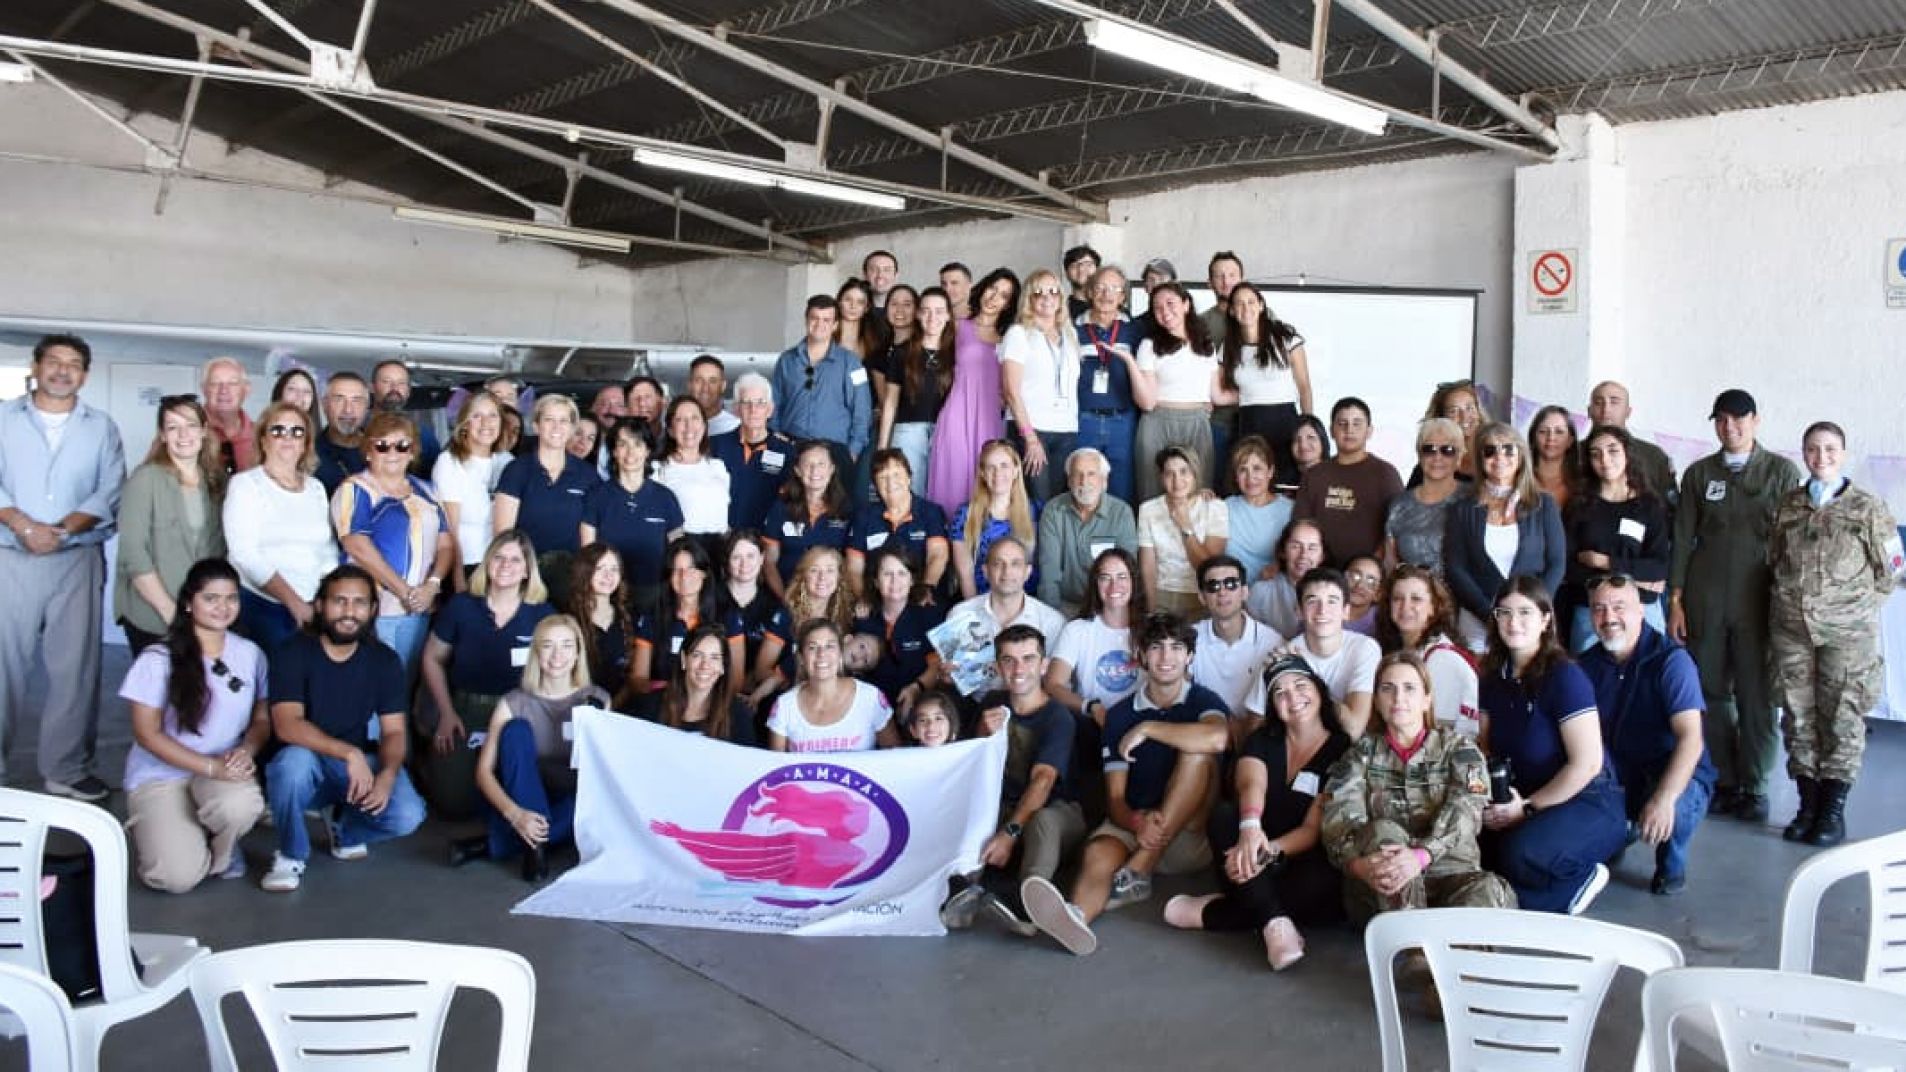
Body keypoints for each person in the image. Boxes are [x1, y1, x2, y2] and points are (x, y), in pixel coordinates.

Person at [1021, 613, 1227, 957]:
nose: (1166, 657)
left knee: (1197, 754)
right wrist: (1135, 822)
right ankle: (1076, 918)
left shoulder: (1203, 701)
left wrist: (1148, 729)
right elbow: (1116, 797)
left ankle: (1139, 867)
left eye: (1177, 648)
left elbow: (1218, 739)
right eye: (1156, 648)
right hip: (1134, 822)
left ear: (1190, 656)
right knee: (1098, 853)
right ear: (1142, 657)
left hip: (1186, 837)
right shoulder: (1119, 716)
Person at [0, 334, 125, 801]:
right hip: (10, 555)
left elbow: (109, 489)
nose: (62, 371)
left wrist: (61, 531)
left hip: (76, 557)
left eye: (73, 364)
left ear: (85, 375)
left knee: (76, 669)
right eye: (54, 361)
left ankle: (66, 770)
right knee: (2, 666)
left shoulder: (101, 427)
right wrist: (23, 526)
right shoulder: (3, 418)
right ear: (36, 366)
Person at [1165, 654, 1349, 969]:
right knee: (1224, 817)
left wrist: (1269, 851)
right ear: (1272, 706)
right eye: (1280, 692)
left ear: (1319, 691)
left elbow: (1312, 829)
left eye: (1301, 686)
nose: (1293, 698)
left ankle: (1219, 912)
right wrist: (1250, 829)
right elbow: (1251, 784)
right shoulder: (1263, 739)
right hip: (1245, 850)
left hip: (1291, 855)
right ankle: (1275, 923)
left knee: (1324, 880)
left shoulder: (1343, 748)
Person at [1669, 389, 1802, 823]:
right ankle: (1722, 778)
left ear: (1756, 421)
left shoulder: (1780, 473)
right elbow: (1682, 539)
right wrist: (1675, 599)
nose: (1730, 427)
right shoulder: (1698, 474)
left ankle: (1755, 784)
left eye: (1739, 419)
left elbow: (1793, 543)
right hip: (1704, 597)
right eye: (1722, 420)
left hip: (1758, 598)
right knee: (1708, 691)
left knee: (1757, 694)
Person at [1767, 421, 1902, 847]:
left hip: (1847, 634)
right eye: (1812, 449)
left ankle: (1832, 811)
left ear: (1842, 453)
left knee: (1842, 715)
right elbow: (1775, 559)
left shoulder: (1867, 507)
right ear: (1803, 454)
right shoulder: (1788, 505)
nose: (1820, 457)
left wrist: (1855, 608)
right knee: (1798, 715)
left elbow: (1892, 570)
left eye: (1829, 449)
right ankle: (1806, 805)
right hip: (1792, 630)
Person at [263, 565, 427, 892]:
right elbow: (286, 724)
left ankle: (345, 829)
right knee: (293, 764)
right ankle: (291, 853)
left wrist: (387, 776)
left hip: (350, 770)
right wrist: (349, 752)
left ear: (373, 610)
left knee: (408, 814)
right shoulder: (293, 651)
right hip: (304, 761)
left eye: (359, 603)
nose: (349, 612)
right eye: (340, 601)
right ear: (321, 605)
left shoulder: (384, 661)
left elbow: (394, 732)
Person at [1322, 652, 1515, 925]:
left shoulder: (1459, 749)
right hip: (1381, 886)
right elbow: (1337, 817)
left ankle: (1458, 960)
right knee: (1383, 831)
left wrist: (1422, 855)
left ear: (1427, 699)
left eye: (1409, 688)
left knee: (1490, 890)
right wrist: (1357, 865)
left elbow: (1467, 808)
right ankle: (1415, 951)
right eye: (1388, 689)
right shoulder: (1360, 754)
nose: (1398, 698)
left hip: (1450, 875)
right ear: (1377, 701)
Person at [1477, 576, 1627, 914]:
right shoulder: (1491, 677)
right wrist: (1492, 802)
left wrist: (1527, 808)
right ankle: (1515, 901)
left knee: (1520, 853)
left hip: (1586, 797)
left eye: (1525, 612)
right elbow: (1486, 748)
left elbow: (1587, 764)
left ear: (1546, 619)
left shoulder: (1565, 677)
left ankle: (1578, 882)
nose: (1514, 622)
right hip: (1524, 793)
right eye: (1505, 612)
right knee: (1480, 851)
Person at [118, 559, 268, 892]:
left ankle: (222, 847)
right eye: (211, 598)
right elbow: (146, 733)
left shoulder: (251, 654)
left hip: (221, 770)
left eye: (231, 598)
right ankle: (170, 831)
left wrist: (247, 750)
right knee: (176, 879)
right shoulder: (157, 658)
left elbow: (261, 718)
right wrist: (211, 767)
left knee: (241, 807)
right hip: (161, 776)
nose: (222, 607)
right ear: (189, 602)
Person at [940, 625, 1084, 937]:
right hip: (1004, 807)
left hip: (1059, 813)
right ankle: (963, 890)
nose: (1019, 669)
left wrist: (1010, 833)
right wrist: (981, 733)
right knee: (971, 811)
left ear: (1044, 665)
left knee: (1043, 821)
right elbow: (968, 764)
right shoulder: (992, 702)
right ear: (997, 666)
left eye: (1028, 659)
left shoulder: (1057, 717)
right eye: (1009, 660)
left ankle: (1030, 904)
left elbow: (1043, 782)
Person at [1578, 574, 1715, 894]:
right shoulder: (1585, 665)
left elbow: (1691, 738)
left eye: (1618, 607)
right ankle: (1618, 833)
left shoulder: (1672, 662)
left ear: (1640, 611)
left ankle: (1672, 863)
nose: (1609, 617)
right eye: (1598, 609)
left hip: (1669, 773)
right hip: (1616, 774)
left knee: (1677, 809)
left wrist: (1664, 798)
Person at [455, 615, 610, 882]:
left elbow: (604, 772)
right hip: (519, 795)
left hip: (573, 799)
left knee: (594, 809)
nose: (557, 655)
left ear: (577, 654)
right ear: (536, 653)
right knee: (516, 730)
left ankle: (503, 844)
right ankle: (535, 844)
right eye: (548, 645)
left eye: (566, 645)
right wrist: (515, 815)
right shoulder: (513, 702)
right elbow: (483, 773)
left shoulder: (597, 700)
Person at [416, 530, 553, 819]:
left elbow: (557, 669)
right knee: (454, 804)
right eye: (499, 558)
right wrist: (446, 713)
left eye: (515, 560)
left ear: (528, 569)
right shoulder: (462, 606)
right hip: (466, 709)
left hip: (518, 712)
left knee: (529, 784)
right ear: (487, 562)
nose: (506, 566)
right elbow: (432, 658)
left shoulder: (541, 614)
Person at [332, 411, 452, 672]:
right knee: (372, 685)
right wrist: (404, 592)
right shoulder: (356, 489)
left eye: (402, 445)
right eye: (382, 445)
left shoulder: (428, 490)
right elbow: (357, 545)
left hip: (419, 607)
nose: (392, 452)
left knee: (404, 685)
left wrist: (432, 586)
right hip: (375, 609)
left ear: (412, 452)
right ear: (368, 451)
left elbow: (445, 544)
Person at [116, 395, 226, 653]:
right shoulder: (145, 479)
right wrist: (171, 613)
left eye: (190, 425)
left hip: (204, 613)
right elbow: (133, 553)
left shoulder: (217, 482)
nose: (183, 434)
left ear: (204, 431)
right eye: (173, 427)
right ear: (163, 435)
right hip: (154, 614)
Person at [1444, 420, 1566, 651]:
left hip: (1530, 622)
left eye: (1508, 449)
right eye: (1490, 451)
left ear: (1520, 456)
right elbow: (1455, 568)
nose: (1500, 457)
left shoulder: (1544, 505)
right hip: (1478, 622)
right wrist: (1489, 615)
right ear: (1480, 460)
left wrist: (1535, 609)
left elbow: (1557, 564)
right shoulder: (1462, 510)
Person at [225, 400, 336, 653]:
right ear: (264, 440)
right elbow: (244, 554)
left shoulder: (315, 488)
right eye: (278, 430)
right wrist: (294, 603)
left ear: (306, 443)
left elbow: (327, 549)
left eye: (297, 431)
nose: (288, 437)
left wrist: (324, 597)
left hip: (312, 605)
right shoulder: (245, 485)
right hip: (263, 606)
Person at [1562, 424, 1672, 650]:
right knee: (1589, 682)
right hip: (1591, 610)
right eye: (1596, 453)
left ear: (1627, 454)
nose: (1605, 459)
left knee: (1646, 681)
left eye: (1613, 450)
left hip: (1643, 610)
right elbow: (1569, 568)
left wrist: (1604, 562)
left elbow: (1659, 568)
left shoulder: (1650, 507)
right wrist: (1636, 579)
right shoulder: (1579, 506)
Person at [1244, 567, 1380, 737]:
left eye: (1332, 601)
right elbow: (1253, 725)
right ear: (1299, 611)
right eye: (1312, 601)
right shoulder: (1283, 656)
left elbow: (1354, 729)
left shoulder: (1364, 648)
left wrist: (1308, 676)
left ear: (1346, 611)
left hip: (1345, 751)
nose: (1322, 610)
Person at [927, 268, 1017, 516]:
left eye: (1003, 295)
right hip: (956, 412)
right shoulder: (957, 326)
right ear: (982, 287)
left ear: (1009, 304)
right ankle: (946, 545)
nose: (993, 297)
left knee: (988, 480)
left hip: (990, 417)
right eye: (992, 289)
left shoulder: (1010, 336)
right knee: (953, 478)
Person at [495, 393, 599, 608]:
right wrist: (517, 573)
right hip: (524, 575)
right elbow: (503, 534)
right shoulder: (517, 470)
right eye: (549, 420)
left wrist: (587, 576)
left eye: (564, 421)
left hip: (569, 579)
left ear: (571, 428)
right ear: (536, 425)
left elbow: (590, 534)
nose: (556, 427)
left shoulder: (587, 476)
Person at [1133, 282, 1231, 503]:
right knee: (1152, 493)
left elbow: (1216, 394)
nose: (1165, 312)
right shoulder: (1149, 345)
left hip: (1197, 421)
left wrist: (1251, 392)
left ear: (1186, 305)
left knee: (1199, 491)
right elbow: (1146, 400)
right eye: (1157, 308)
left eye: (1170, 304)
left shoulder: (1205, 345)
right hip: (1157, 422)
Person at [579, 420, 683, 614]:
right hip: (608, 595)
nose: (630, 452)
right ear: (613, 452)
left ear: (648, 451)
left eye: (637, 444)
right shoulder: (596, 497)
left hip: (655, 595)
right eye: (622, 444)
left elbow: (679, 554)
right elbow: (588, 555)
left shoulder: (665, 498)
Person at [630, 539, 746, 711]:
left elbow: (735, 681)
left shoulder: (727, 615)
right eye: (677, 570)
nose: (684, 576)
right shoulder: (653, 615)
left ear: (704, 573)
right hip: (663, 705)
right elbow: (639, 678)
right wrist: (670, 694)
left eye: (691, 569)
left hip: (712, 707)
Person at [1001, 268, 1083, 502]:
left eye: (1053, 292)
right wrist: (1030, 438)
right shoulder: (1019, 334)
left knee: (1060, 503)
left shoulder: (1070, 335)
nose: (1047, 298)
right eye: (1039, 293)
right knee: (1036, 503)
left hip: (1066, 428)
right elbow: (1011, 391)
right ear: (1029, 298)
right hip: (1032, 429)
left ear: (1061, 297)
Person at [1292, 397, 1403, 568]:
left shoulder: (1386, 474)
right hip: (1321, 574)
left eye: (1357, 423)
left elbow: (1397, 530)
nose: (1349, 430)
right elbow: (1301, 527)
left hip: (1369, 576)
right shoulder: (1314, 475)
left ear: (1369, 431)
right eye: (1342, 423)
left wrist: (1370, 566)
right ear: (1331, 430)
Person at [770, 295, 873, 478]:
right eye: (814, 318)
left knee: (834, 506)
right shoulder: (786, 360)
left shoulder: (851, 363)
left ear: (835, 325)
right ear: (806, 320)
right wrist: (776, 436)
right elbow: (774, 403)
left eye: (826, 319)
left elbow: (862, 410)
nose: (819, 324)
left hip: (835, 452)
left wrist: (853, 451)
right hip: (792, 448)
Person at [1223, 283, 1312, 488]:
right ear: (1232, 310)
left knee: (1287, 486)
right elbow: (1221, 389)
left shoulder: (1286, 338)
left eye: (1251, 302)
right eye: (1239, 304)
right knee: (1251, 484)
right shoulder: (1228, 347)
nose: (1246, 308)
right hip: (1249, 424)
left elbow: (1304, 387)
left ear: (1261, 305)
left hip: (1284, 421)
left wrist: (1307, 426)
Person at [1073, 266, 1149, 504]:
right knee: (1083, 489)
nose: (1107, 295)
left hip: (1123, 421)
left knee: (1121, 491)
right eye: (1100, 288)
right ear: (1089, 292)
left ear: (1123, 296)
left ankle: (1118, 542)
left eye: (1114, 289)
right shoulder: (1072, 328)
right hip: (1083, 420)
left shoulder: (1135, 330)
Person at [1375, 564, 1480, 736]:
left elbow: (1439, 735)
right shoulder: (1402, 652)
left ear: (1434, 607)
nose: (1405, 606)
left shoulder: (1442, 659)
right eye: (1397, 598)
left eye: (1416, 599)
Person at [1045, 549, 1145, 729]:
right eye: (1105, 578)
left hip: (1142, 724)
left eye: (1122, 577)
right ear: (1095, 584)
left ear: (1134, 582)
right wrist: (1091, 707)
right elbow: (1053, 684)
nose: (1114, 586)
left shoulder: (1151, 629)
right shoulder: (1076, 630)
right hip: (1091, 723)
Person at [766, 619, 900, 752]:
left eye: (830, 646)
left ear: (840, 653)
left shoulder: (871, 698)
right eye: (812, 647)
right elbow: (776, 769)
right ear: (801, 658)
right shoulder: (784, 706)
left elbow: (896, 762)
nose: (822, 654)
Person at [1190, 555, 1283, 746]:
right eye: (1213, 586)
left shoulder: (1273, 642)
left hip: (1258, 733)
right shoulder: (1188, 639)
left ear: (1245, 592)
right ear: (1202, 597)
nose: (1222, 592)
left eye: (1231, 584)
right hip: (1209, 730)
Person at [747, 547, 855, 709]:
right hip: (787, 700)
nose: (822, 577)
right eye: (814, 570)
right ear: (803, 576)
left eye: (830, 570)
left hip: (831, 701)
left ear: (839, 577)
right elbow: (762, 671)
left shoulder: (845, 615)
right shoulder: (786, 615)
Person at [1036, 447, 1138, 617]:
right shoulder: (1053, 511)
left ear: (1104, 481)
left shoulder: (1121, 512)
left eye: (1092, 474)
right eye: (1077, 474)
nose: (1084, 482)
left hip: (1108, 606)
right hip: (1065, 607)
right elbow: (1049, 574)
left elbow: (1126, 572)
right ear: (1069, 480)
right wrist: (1051, 618)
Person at [432, 390, 512, 591]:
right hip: (467, 565)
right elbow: (450, 528)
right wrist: (458, 578)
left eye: (493, 415)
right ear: (464, 424)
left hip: (501, 568)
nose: (486, 423)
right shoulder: (450, 462)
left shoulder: (507, 462)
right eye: (477, 416)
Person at [1138, 445, 1228, 618]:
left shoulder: (1215, 507)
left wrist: (1185, 526)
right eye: (1169, 473)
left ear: (1195, 473)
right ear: (1161, 477)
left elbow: (1210, 568)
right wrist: (1152, 610)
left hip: (1202, 596)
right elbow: (1148, 566)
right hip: (1162, 593)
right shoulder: (1148, 509)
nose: (1177, 481)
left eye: (1184, 472)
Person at [850, 545, 945, 710]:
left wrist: (917, 688)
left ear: (912, 580)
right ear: (876, 581)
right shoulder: (863, 618)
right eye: (887, 574)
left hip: (919, 701)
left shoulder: (929, 615)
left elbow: (937, 666)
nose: (895, 581)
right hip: (872, 706)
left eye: (902, 573)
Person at [845, 449, 949, 599]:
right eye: (883, 478)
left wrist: (926, 588)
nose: (890, 482)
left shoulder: (930, 512)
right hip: (878, 601)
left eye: (896, 474)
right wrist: (863, 600)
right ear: (875, 485)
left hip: (923, 597)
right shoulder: (863, 517)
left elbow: (937, 555)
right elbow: (854, 567)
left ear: (909, 478)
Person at [877, 287, 952, 493]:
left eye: (938, 311)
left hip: (946, 431)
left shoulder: (955, 352)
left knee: (942, 491)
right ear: (918, 314)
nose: (932, 317)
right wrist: (883, 445)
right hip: (908, 431)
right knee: (910, 490)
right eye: (926, 310)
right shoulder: (902, 352)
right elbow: (891, 401)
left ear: (948, 315)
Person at [951, 440, 1041, 600]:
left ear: (1016, 470)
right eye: (991, 467)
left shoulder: (1035, 510)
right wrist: (976, 613)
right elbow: (965, 573)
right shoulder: (965, 514)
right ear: (983, 474)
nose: (997, 473)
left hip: (1027, 603)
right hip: (981, 601)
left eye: (1004, 465)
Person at [762, 440, 854, 597]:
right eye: (808, 464)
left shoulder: (847, 510)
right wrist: (785, 600)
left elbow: (851, 566)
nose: (814, 470)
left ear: (831, 469)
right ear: (798, 470)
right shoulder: (781, 508)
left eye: (821, 464)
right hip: (786, 594)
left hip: (830, 598)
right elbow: (769, 562)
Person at [948, 538, 1067, 654]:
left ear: (1028, 572)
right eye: (998, 564)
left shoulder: (1052, 622)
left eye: (1015, 564)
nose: (1007, 571)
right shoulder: (959, 615)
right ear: (985, 571)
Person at [711, 372, 795, 531]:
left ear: (770, 410)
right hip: (723, 539)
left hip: (766, 541)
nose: (753, 409)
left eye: (760, 403)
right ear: (736, 409)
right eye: (746, 402)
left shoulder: (787, 453)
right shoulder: (716, 446)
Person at [1385, 417, 1467, 576]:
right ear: (1419, 454)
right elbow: (1390, 565)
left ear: (1459, 457)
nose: (1437, 457)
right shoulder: (1399, 505)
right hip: (1413, 597)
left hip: (1466, 598)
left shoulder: (1473, 498)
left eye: (1447, 450)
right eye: (1429, 449)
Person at [655, 395, 732, 558]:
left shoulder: (718, 466)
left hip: (720, 551)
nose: (689, 426)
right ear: (670, 429)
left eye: (695, 418)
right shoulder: (658, 469)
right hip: (682, 553)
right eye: (680, 419)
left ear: (704, 426)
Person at [658, 624, 756, 746]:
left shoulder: (738, 715)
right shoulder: (652, 706)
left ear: (723, 666)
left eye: (714, 658)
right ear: (684, 660)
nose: (705, 665)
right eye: (697, 655)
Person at [1587, 381, 1676, 506]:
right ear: (1589, 411)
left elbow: (1669, 509)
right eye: (1598, 403)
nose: (1606, 409)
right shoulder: (1575, 454)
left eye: (1614, 402)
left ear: (1628, 412)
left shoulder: (1653, 456)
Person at [566, 543, 635, 704]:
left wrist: (612, 707)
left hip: (623, 707)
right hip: (581, 707)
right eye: (600, 568)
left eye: (614, 569)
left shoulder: (628, 616)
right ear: (585, 572)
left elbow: (633, 675)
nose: (608, 576)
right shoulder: (569, 620)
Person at [1199, 252, 1247, 480]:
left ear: (1242, 278)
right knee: (1213, 485)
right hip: (1214, 422)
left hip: (1251, 417)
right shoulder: (1199, 324)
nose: (1226, 281)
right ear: (1210, 283)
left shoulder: (1263, 318)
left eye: (1231, 275)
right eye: (1219, 276)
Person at [1225, 436, 1292, 584]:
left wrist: (1280, 566)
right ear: (1236, 476)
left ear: (1270, 471)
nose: (1250, 477)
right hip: (1231, 594)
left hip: (1272, 593)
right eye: (1243, 470)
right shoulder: (1224, 507)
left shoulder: (1289, 511)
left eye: (1257, 468)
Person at [1246, 517, 1326, 640]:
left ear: (1321, 556)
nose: (1303, 555)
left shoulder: (1333, 594)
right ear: (1283, 551)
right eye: (1295, 546)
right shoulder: (1261, 592)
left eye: (1312, 548)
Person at [719, 531, 779, 679]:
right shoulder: (711, 599)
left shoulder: (774, 606)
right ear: (727, 561)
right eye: (736, 557)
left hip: (758, 687)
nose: (744, 564)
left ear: (762, 559)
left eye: (750, 556)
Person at [370, 359, 439, 470]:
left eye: (401, 383)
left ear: (408, 391)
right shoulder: (358, 432)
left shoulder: (423, 436)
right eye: (386, 382)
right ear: (372, 388)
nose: (394, 388)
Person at [1418, 380, 1486, 485]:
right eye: (1453, 411)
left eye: (1470, 408)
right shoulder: (1430, 463)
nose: (1464, 416)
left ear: (1479, 412)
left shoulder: (1495, 455)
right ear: (1440, 417)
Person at [314, 371, 370, 494]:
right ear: (324, 405)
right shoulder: (309, 453)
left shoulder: (383, 450)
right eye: (339, 399)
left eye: (356, 400)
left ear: (366, 407)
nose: (348, 409)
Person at [200, 357, 255, 474]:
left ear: (246, 390)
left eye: (233, 383)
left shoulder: (262, 435)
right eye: (215, 383)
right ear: (204, 389)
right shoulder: (184, 433)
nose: (224, 390)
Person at [867, 284, 918, 407]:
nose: (899, 310)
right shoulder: (879, 354)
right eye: (894, 304)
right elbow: (885, 402)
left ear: (917, 310)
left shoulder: (927, 347)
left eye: (907, 305)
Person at [1528, 405, 1579, 515]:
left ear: (1570, 440)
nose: (1551, 438)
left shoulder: (1581, 483)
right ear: (1533, 437)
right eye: (1543, 431)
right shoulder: (1519, 478)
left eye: (1559, 432)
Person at [834, 278, 890, 365]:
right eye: (848, 299)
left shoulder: (874, 338)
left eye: (860, 302)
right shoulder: (826, 334)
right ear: (839, 302)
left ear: (867, 308)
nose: (853, 306)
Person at [688, 354, 739, 437]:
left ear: (723, 386)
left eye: (712, 381)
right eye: (699, 380)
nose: (705, 388)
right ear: (690, 384)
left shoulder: (735, 427)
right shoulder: (677, 427)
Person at [1288, 413, 1331, 492]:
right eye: (1297, 440)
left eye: (1311, 437)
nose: (1303, 445)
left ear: (1322, 441)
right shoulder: (1285, 485)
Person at [1343, 555, 1383, 636]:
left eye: (1371, 582)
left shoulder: (1381, 619)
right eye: (1355, 576)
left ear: (1378, 594)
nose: (1360, 585)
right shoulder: (1326, 609)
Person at [1062, 244, 1099, 321]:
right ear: (1066, 273)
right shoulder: (1060, 311)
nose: (1081, 269)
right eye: (1074, 265)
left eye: (1088, 264)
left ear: (1098, 270)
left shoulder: (1112, 309)